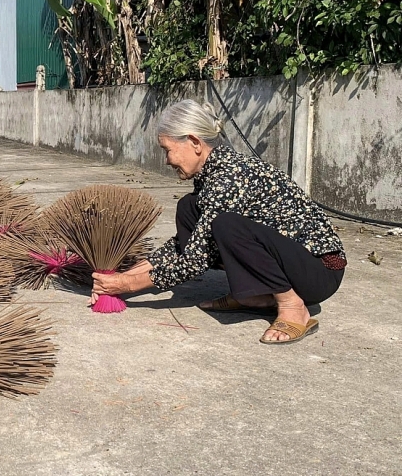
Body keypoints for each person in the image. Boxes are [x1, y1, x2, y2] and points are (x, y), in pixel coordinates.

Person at [91, 100, 346, 345]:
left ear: (194, 142)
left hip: (319, 271)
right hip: (292, 262)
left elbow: (194, 261)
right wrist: (123, 276)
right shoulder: (211, 173)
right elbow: (185, 246)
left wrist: (126, 286)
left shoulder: (228, 177)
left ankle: (293, 306)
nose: (167, 160)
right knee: (190, 208)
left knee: (226, 225)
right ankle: (256, 297)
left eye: (167, 150)